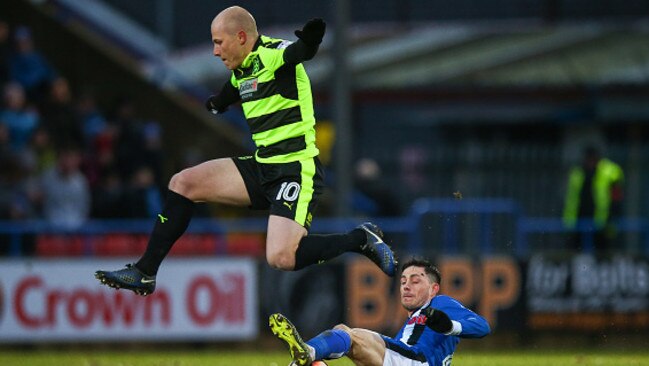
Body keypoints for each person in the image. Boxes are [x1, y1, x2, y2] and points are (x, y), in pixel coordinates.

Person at [95, 6, 396, 296]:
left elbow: (297, 54)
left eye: (218, 42)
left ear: (241, 37)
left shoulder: (273, 53)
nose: (215, 51)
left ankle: (360, 239)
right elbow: (235, 88)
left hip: (294, 169)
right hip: (262, 165)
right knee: (183, 183)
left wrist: (311, 41)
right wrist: (218, 102)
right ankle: (145, 271)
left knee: (281, 257)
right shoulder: (242, 69)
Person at [270, 257, 490, 366]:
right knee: (342, 331)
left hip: (416, 361)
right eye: (403, 281)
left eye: (415, 281)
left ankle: (307, 353)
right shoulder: (413, 323)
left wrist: (451, 327)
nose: (406, 286)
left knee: (351, 336)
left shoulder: (440, 304)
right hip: (408, 359)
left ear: (433, 289)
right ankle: (311, 358)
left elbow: (483, 327)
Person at [562, 145, 624, 256]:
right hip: (579, 223)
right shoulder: (577, 173)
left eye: (592, 159)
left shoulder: (609, 172)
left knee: (602, 254)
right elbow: (571, 199)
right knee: (579, 254)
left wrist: (613, 217)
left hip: (603, 223)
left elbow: (616, 197)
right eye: (588, 159)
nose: (590, 162)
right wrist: (569, 222)